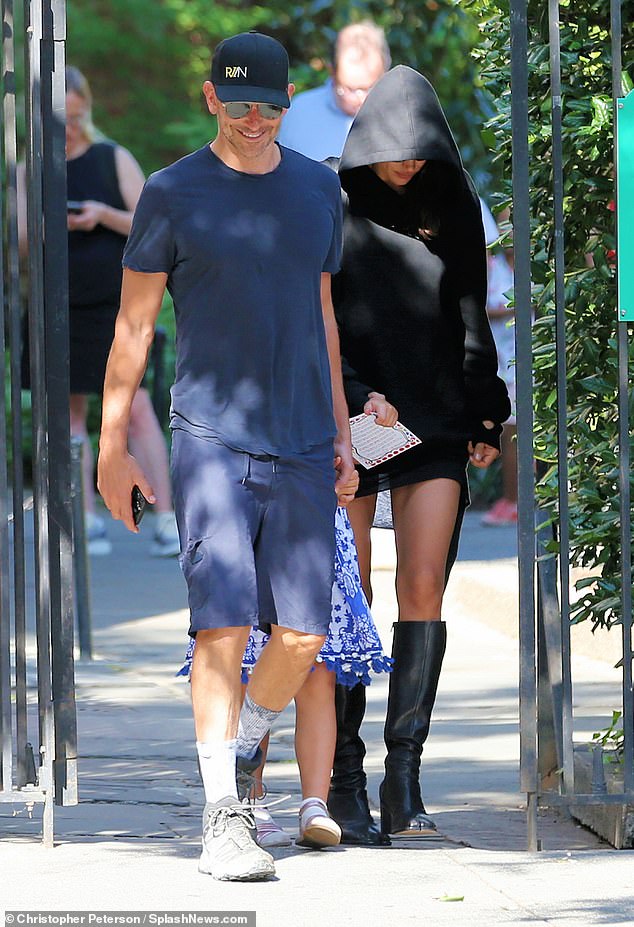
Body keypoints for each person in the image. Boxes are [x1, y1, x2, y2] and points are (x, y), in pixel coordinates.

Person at [97, 32, 355, 882]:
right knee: (224, 624)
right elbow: (134, 327)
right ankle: (221, 819)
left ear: (289, 103)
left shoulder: (320, 189)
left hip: (307, 441)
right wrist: (112, 447)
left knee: (305, 633)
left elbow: (322, 312)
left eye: (271, 105)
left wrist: (344, 429)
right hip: (208, 435)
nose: (254, 119)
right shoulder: (171, 192)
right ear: (212, 98)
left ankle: (244, 745)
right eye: (239, 103)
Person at [327, 65, 512, 844]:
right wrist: (352, 398)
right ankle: (341, 773)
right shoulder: (329, 204)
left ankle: (404, 774)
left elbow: (472, 312)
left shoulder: (453, 204)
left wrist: (484, 407)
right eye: (392, 153)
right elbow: (321, 316)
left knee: (425, 583)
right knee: (351, 589)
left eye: (418, 152)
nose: (404, 165)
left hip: (434, 414)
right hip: (354, 414)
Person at [19, 66, 180, 557]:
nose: (67, 129)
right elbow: (23, 242)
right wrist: (52, 219)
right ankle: (85, 518)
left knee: (134, 411)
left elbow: (149, 223)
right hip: (58, 303)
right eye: (57, 120)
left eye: (75, 116)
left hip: (114, 304)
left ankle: (166, 516)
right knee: (68, 414)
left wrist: (99, 216)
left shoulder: (113, 157)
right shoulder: (35, 166)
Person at [178, 489, 392, 849]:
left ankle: (315, 803)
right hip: (248, 513)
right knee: (247, 672)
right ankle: (250, 799)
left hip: (312, 509)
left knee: (318, 675)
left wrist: (343, 447)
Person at [277, 21, 390, 161]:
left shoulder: (403, 115)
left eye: (371, 88)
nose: (362, 99)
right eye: (351, 89)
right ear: (332, 72)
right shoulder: (299, 113)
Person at [480, 201, 517, 527]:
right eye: (506, 226)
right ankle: (510, 500)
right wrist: (516, 308)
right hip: (502, 361)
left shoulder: (540, 267)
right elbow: (480, 306)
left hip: (531, 363)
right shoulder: (493, 267)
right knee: (509, 431)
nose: (511, 234)